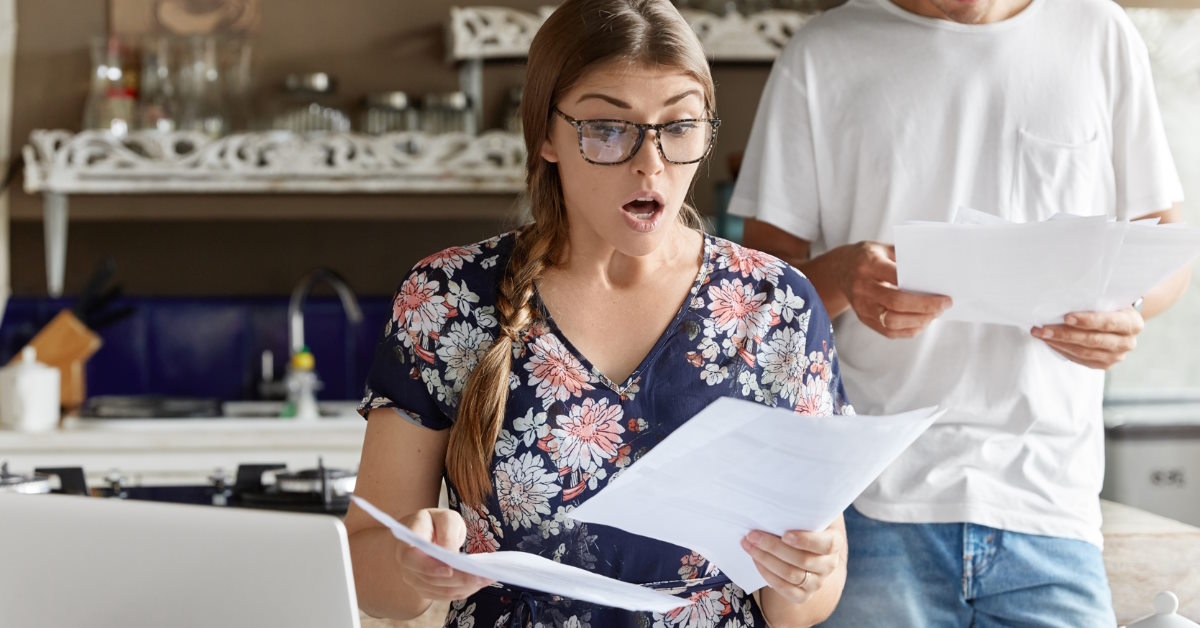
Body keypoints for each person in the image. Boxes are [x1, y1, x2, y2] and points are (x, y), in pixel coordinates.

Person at [344, 0, 856, 625]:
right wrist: (409, 564)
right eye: (609, 129)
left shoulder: (778, 306)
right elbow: (369, 577)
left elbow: (800, 607)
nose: (651, 162)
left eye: (680, 125)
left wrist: (807, 572)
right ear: (546, 136)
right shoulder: (446, 297)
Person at [728, 0, 1192, 625]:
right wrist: (839, 276)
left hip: (1051, 504)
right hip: (868, 506)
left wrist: (1126, 306)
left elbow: (1165, 248)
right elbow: (753, 293)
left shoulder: (1098, 31)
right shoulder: (822, 52)